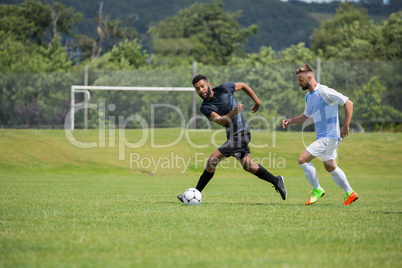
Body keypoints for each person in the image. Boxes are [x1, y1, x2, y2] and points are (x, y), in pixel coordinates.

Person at [178, 75, 286, 202]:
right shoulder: (205, 107)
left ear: (208, 84)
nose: (201, 90)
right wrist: (233, 112)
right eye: (197, 89)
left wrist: (257, 101)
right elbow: (220, 121)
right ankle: (277, 180)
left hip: (242, 134)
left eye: (202, 86)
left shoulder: (224, 88)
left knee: (212, 160)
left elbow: (244, 86)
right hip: (232, 137)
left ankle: (194, 194)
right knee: (248, 165)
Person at [282, 64, 358, 206]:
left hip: (329, 137)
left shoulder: (324, 91)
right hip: (325, 137)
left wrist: (346, 125)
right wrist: (290, 121)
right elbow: (306, 116)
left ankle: (317, 189)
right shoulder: (309, 97)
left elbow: (348, 103)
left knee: (302, 159)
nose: (298, 83)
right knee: (330, 166)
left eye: (301, 80)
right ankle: (350, 193)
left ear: (309, 78)